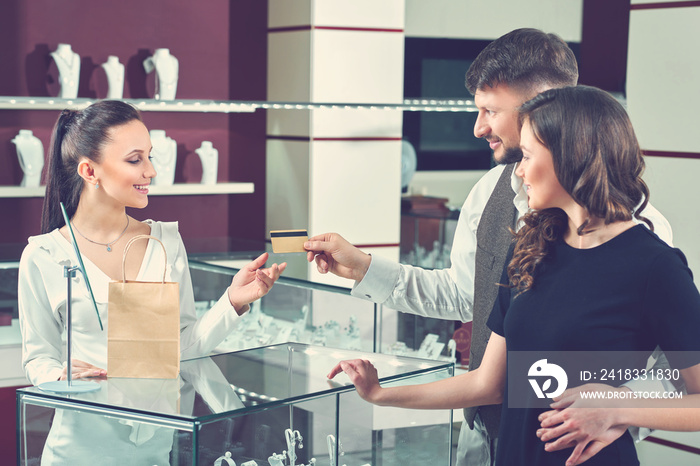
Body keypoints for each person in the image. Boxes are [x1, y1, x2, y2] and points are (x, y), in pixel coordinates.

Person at [304, 28, 673, 465]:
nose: (478, 127)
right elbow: (469, 301)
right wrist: (365, 268)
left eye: (489, 111)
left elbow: (674, 376)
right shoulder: (488, 193)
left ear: (545, 107)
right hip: (485, 437)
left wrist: (610, 411)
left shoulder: (644, 237)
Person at [18, 100, 286, 463]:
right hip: (78, 449)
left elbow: (183, 350)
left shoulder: (166, 243)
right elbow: (38, 357)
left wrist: (233, 301)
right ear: (89, 170)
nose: (151, 171)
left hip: (155, 447)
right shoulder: (43, 256)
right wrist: (59, 373)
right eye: (135, 160)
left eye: (150, 156)